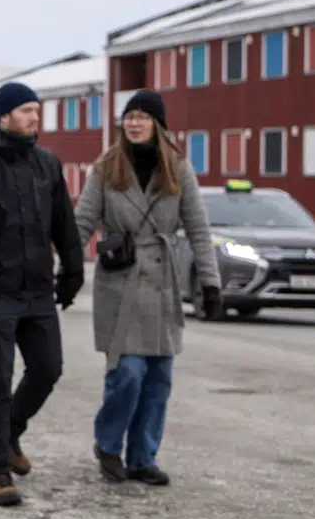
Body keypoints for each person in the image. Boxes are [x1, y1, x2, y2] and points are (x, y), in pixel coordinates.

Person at [73, 89, 221, 486]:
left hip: (163, 283)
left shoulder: (178, 168)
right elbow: (83, 220)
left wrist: (209, 281)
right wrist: (68, 266)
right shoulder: (106, 168)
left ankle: (142, 457)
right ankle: (108, 444)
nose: (134, 123)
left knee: (158, 378)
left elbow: (199, 229)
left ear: (158, 123)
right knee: (128, 373)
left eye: (143, 116)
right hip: (120, 281)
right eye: (129, 116)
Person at [0, 80, 84, 507]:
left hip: (39, 292)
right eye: (26, 111)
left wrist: (73, 273)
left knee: (48, 369)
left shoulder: (47, 165)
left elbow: (64, 225)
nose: (34, 118)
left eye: (36, 111)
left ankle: (10, 433)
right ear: (3, 116)